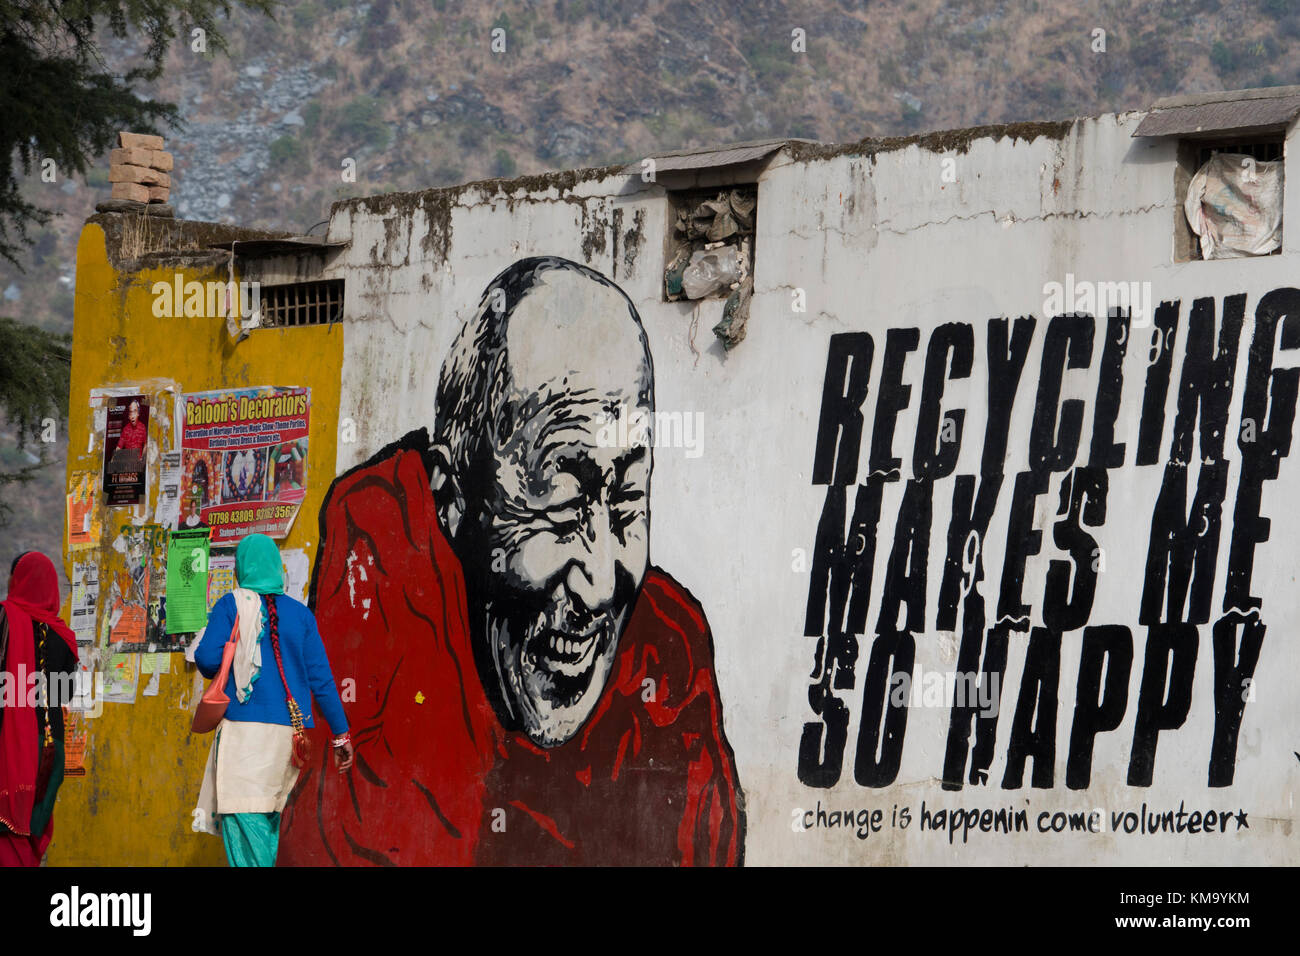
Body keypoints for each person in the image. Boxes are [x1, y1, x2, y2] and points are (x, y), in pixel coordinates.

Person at [281, 256, 744, 866]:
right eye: (559, 503)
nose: (602, 583)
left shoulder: (664, 655)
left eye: (629, 499)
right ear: (452, 499)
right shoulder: (388, 597)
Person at [193, 533, 352, 867]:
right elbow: (321, 681)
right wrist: (341, 735)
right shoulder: (301, 616)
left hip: (244, 738)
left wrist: (234, 653)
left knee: (247, 839)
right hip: (287, 740)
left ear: (241, 569)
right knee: (264, 830)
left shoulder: (232, 604)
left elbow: (206, 659)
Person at [0, 552, 79, 866]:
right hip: (50, 749)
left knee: (7, 834)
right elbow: (65, 693)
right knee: (31, 832)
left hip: (11, 744)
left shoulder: (4, 618)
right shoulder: (64, 635)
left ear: (17, 581)